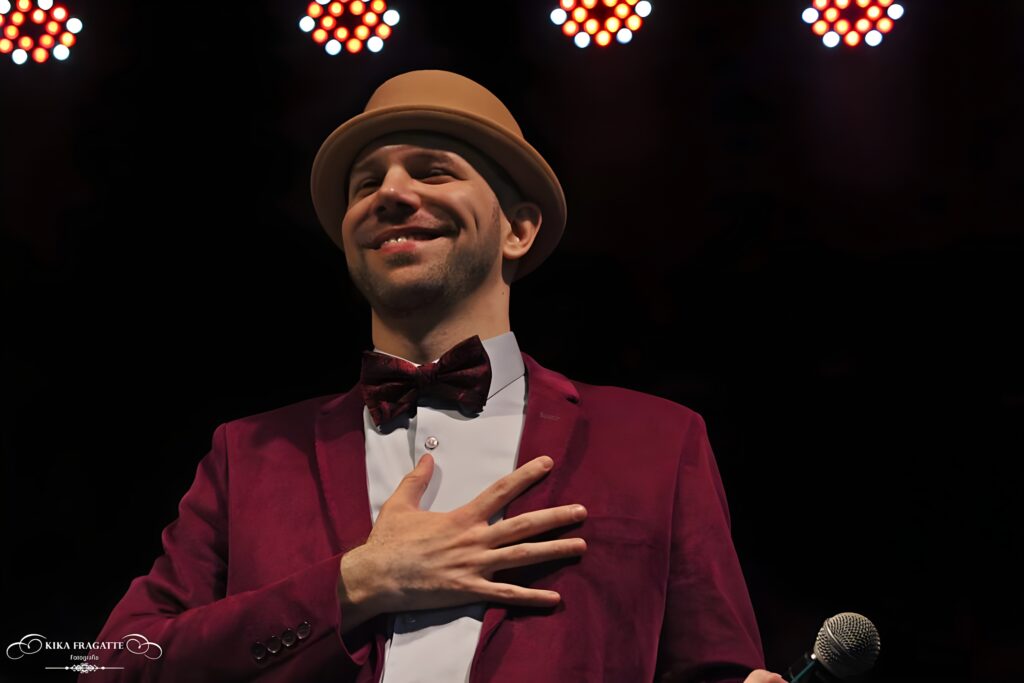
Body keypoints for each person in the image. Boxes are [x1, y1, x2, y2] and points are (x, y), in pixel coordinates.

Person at [86, 70, 785, 683]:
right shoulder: (249, 456)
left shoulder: (657, 441)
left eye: (433, 171)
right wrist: (353, 583)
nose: (391, 192)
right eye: (367, 182)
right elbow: (114, 666)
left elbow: (714, 669)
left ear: (517, 229)